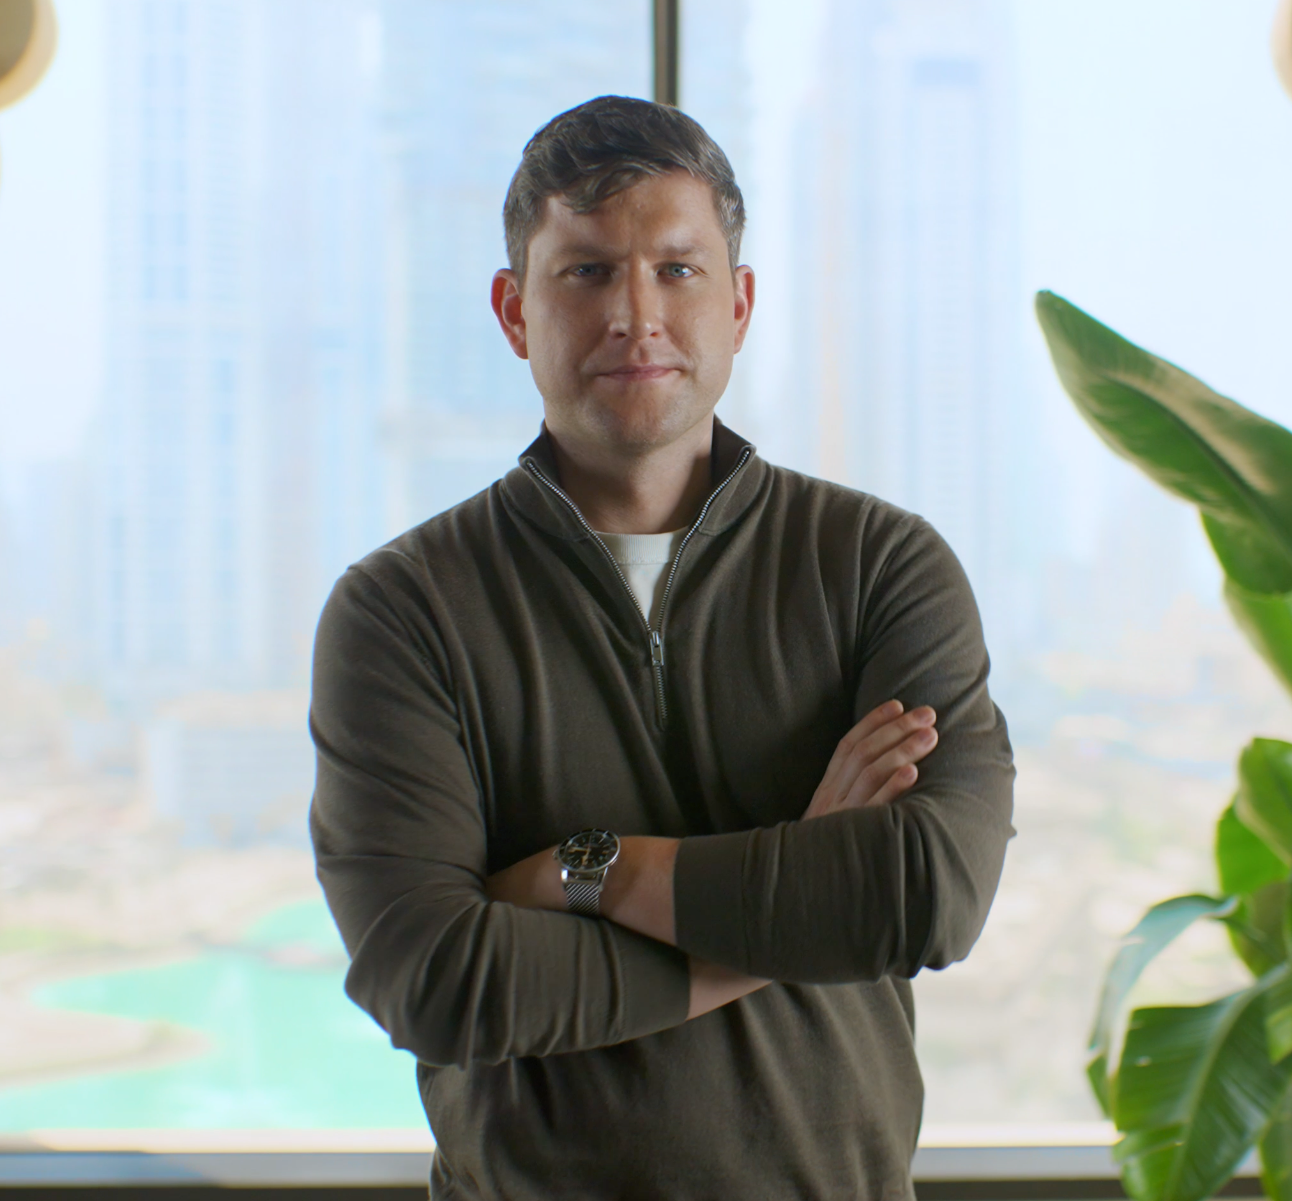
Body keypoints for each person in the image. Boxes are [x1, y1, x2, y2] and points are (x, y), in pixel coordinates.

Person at [310, 94, 1015, 1199]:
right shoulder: (402, 610)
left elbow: (922, 895)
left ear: (738, 304)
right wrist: (798, 887)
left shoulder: (879, 563)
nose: (635, 312)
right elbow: (435, 980)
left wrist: (581, 871)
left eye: (678, 269)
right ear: (512, 310)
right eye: (585, 271)